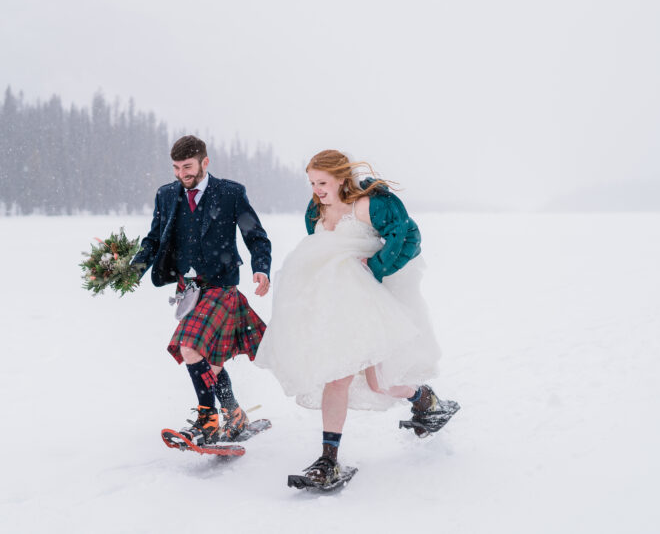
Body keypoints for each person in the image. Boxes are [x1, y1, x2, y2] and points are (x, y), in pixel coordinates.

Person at [255, 149, 458, 486]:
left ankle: (426, 400)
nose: (317, 190)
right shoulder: (315, 210)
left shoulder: (370, 203)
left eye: (322, 182)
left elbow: (409, 237)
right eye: (312, 183)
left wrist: (377, 268)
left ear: (341, 178)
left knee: (380, 382)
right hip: (334, 305)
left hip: (370, 300)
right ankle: (328, 460)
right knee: (338, 376)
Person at [131, 135, 272, 444]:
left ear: (205, 162)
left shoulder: (230, 193)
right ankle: (234, 415)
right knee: (207, 359)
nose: (182, 174)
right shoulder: (167, 195)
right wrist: (132, 270)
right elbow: (154, 240)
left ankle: (207, 420)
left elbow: (255, 235)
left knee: (191, 348)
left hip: (221, 285)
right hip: (189, 289)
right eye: (177, 168)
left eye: (188, 166)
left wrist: (261, 267)